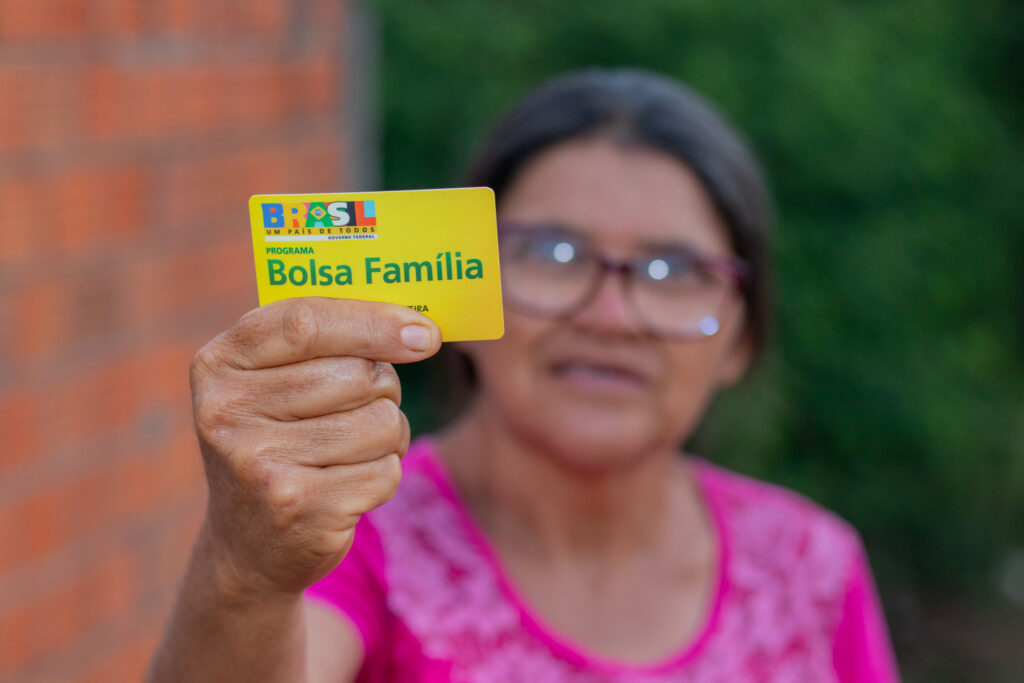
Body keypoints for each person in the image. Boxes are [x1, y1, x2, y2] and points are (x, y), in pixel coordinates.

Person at [149, 69, 900, 682]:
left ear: (741, 334)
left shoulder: (812, 566)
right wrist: (246, 570)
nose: (610, 315)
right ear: (458, 286)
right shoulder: (349, 531)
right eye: (553, 254)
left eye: (674, 270)